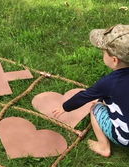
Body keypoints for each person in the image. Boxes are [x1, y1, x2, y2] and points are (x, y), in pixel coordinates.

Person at [53, 24, 129, 157]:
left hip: (125, 137)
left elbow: (84, 96)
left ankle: (103, 147)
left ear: (115, 60)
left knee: (96, 108)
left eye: (104, 51)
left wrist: (65, 107)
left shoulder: (108, 83)